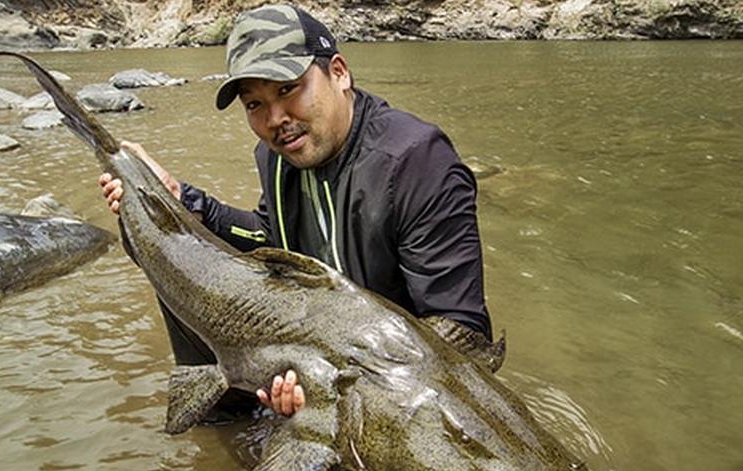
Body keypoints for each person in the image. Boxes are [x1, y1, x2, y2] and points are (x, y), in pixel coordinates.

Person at [100, 3, 491, 416]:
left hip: (388, 374)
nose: (276, 119)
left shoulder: (416, 162)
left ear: (339, 73)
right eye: (255, 104)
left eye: (287, 89)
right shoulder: (277, 156)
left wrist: (336, 389)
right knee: (183, 264)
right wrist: (185, 201)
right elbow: (271, 234)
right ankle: (225, 430)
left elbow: (459, 333)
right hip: (315, 339)